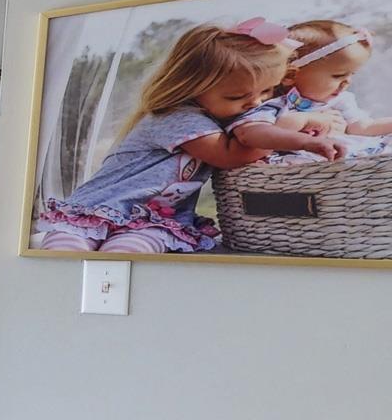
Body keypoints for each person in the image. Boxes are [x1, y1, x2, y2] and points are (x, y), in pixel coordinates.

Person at [34, 19, 338, 253]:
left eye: (267, 92)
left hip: (155, 222)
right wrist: (292, 129)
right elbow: (229, 156)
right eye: (237, 96)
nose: (256, 103)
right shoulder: (176, 117)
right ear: (193, 87)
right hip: (99, 211)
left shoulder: (225, 118)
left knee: (128, 255)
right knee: (65, 253)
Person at [228, 19, 389, 160]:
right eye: (338, 75)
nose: (347, 82)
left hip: (350, 161)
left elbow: (363, 128)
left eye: (351, 74)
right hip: (305, 165)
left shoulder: (341, 100)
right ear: (290, 75)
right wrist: (306, 119)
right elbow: (263, 134)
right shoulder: (273, 104)